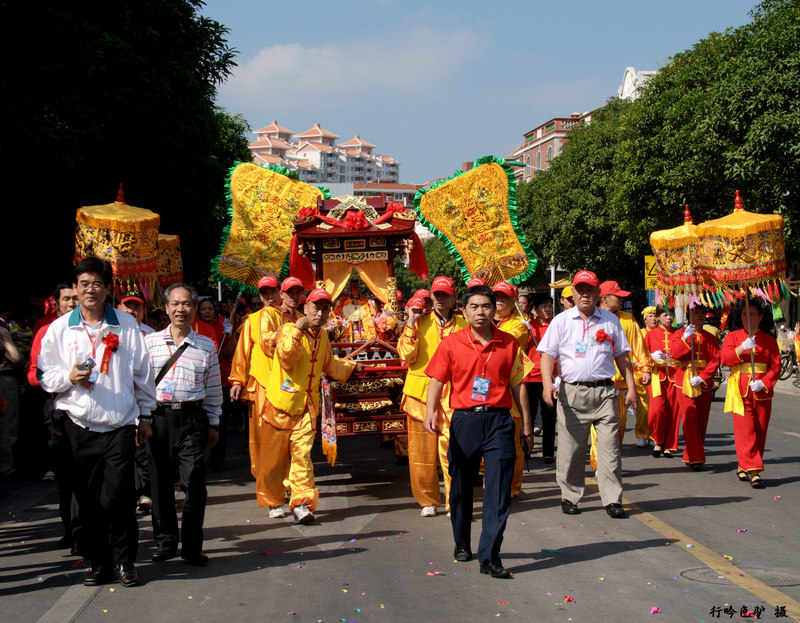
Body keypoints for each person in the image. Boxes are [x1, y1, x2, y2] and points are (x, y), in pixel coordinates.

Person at [38, 256, 156, 587]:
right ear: (75, 288)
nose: (91, 290)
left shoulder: (125, 325)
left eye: (97, 284)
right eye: (84, 284)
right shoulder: (60, 329)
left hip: (119, 425)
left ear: (108, 289)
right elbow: (45, 374)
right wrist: (68, 378)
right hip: (78, 426)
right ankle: (98, 563)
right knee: (87, 500)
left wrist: (145, 415)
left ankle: (125, 560)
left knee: (118, 496)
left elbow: (142, 374)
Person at [424, 284, 532, 579]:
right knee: (459, 488)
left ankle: (490, 555)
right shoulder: (451, 343)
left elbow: (519, 385)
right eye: (475, 307)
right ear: (464, 310)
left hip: (499, 421)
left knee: (498, 492)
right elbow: (436, 379)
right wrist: (430, 412)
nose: (481, 312)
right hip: (464, 421)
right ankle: (462, 541)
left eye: (486, 306)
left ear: (495, 309)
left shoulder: (509, 343)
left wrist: (527, 423)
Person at [537, 270, 635, 520]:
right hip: (572, 392)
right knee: (572, 449)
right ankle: (570, 495)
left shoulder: (610, 321)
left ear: (598, 293)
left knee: (610, 449)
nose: (585, 294)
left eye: (590, 289)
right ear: (573, 293)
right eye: (580, 290)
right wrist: (547, 384)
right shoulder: (562, 321)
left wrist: (632, 388)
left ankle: (612, 499)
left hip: (605, 392)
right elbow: (547, 354)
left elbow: (622, 355)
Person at [261, 288, 361, 524]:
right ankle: (274, 500)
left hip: (307, 406)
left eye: (325, 309)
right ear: (304, 309)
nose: (320, 312)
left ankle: (301, 503)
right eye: (316, 307)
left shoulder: (323, 337)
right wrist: (297, 329)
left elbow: (328, 364)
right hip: (280, 405)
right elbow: (286, 357)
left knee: (302, 455)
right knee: (275, 460)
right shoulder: (287, 329)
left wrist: (350, 367)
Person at [145, 283, 222, 566]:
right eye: (175, 304)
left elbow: (213, 387)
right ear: (166, 308)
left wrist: (213, 422)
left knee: (195, 484)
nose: (181, 309)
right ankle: (165, 543)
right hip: (158, 419)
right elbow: (140, 387)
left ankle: (192, 547)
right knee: (160, 484)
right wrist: (141, 420)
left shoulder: (206, 346)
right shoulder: (149, 344)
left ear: (193, 308)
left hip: (192, 419)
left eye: (187, 304)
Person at [398, 276, 467, 517]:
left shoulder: (463, 324)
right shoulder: (420, 321)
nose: (440, 299)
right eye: (436, 294)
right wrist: (410, 322)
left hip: (454, 397)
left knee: (453, 453)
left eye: (445, 294)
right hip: (420, 396)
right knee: (421, 455)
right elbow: (406, 355)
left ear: (454, 297)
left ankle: (454, 500)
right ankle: (427, 499)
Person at [27, 284, 80, 548]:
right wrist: (63, 380)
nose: (72, 303)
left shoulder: (93, 330)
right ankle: (71, 529)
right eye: (66, 299)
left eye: (75, 298)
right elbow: (34, 373)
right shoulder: (46, 331)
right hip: (57, 412)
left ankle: (87, 529)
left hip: (91, 413)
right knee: (67, 474)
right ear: (57, 303)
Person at [229, 276, 283, 515]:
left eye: (273, 291)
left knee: (290, 442)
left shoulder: (291, 318)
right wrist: (237, 380)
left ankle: (289, 486)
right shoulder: (251, 321)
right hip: (262, 387)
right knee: (263, 443)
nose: (270, 296)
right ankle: (269, 494)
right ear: (260, 296)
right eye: (265, 293)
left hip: (289, 387)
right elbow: (242, 353)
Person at [720, 298, 781, 488]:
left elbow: (776, 366)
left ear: (761, 316)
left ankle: (745, 465)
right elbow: (725, 359)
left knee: (760, 430)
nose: (747, 318)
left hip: (761, 389)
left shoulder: (769, 340)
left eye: (752, 314)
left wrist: (764, 382)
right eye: (745, 314)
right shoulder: (733, 336)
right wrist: (742, 347)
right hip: (739, 388)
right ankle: (754, 470)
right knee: (745, 430)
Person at [589, 281, 652, 463]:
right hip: (599, 381)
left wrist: (645, 367)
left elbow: (638, 345)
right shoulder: (593, 317)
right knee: (598, 426)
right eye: (618, 296)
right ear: (605, 298)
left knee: (619, 427)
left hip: (622, 383)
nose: (622, 299)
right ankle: (598, 462)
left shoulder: (627, 319)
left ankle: (611, 462)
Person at [669, 304, 720, 470]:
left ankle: (690, 454)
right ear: (689, 315)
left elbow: (715, 360)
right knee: (689, 418)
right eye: (696, 312)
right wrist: (685, 338)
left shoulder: (710, 337)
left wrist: (703, 377)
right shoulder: (679, 333)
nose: (699, 315)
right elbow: (675, 353)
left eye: (702, 313)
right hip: (684, 379)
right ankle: (697, 457)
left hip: (702, 380)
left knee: (701, 420)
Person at [117, 288, 154, 513]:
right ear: (119, 308)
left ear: (143, 311)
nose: (131, 310)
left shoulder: (150, 335)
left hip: (141, 397)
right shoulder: (110, 332)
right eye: (127, 306)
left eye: (136, 307)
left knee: (142, 447)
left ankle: (145, 491)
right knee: (123, 449)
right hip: (118, 397)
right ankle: (128, 491)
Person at [492, 281, 529, 497]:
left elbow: (501, 344)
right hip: (485, 386)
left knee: (513, 441)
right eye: (496, 296)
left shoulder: (519, 325)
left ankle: (513, 486)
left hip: (510, 385)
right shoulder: (487, 321)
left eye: (504, 297)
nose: (499, 301)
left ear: (513, 300)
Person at [198, 297, 235, 471]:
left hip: (223, 380)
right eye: (203, 309)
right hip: (202, 381)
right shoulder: (195, 327)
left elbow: (229, 354)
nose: (207, 312)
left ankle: (218, 456)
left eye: (209, 309)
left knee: (220, 421)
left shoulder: (223, 325)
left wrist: (229, 335)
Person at [523, 293, 557, 462]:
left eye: (550, 305)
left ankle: (548, 452)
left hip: (550, 377)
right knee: (528, 414)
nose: (548, 309)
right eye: (543, 306)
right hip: (531, 377)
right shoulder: (529, 327)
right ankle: (526, 448)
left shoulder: (556, 326)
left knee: (549, 415)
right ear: (535, 310)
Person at [644, 305, 679, 458]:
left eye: (671, 314)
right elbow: (643, 355)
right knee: (656, 411)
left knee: (673, 411)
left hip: (674, 375)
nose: (669, 317)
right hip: (657, 375)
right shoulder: (651, 335)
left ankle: (668, 445)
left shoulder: (678, 334)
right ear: (658, 317)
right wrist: (651, 358)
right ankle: (658, 439)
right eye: (665, 314)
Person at [0, 297, 25, 477]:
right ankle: (6, 467)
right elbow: (15, 357)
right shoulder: (2, 329)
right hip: (5, 379)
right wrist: (26, 364)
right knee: (7, 424)